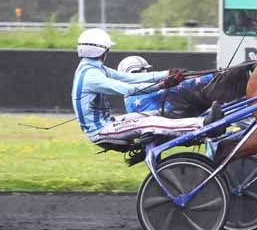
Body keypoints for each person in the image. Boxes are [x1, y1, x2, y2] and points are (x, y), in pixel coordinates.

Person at [71, 28, 219, 145]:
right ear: (103, 51)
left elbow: (131, 78)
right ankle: (202, 124)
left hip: (109, 123)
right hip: (102, 131)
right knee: (149, 123)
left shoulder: (93, 68)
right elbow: (128, 88)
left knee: (153, 114)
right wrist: (162, 85)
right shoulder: (92, 76)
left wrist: (167, 73)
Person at [117, 55, 215, 118]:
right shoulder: (131, 97)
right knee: (181, 88)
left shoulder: (146, 87)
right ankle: (214, 77)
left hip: (170, 112)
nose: (145, 73)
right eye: (139, 72)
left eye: (146, 71)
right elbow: (164, 93)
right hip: (162, 118)